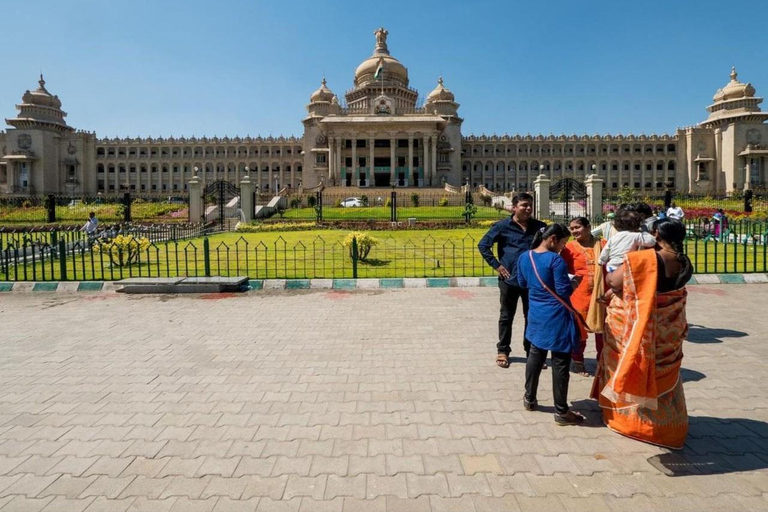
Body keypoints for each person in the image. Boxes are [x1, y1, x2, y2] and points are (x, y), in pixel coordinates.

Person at [591, 218, 693, 449]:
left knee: (631, 362)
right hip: (668, 328)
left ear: (656, 234)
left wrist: (630, 257)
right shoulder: (683, 260)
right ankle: (667, 426)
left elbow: (614, 281)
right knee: (662, 370)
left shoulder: (645, 258)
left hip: (639, 326)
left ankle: (631, 422)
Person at [517, 223, 584, 426]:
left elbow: (521, 282)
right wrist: (575, 283)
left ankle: (529, 398)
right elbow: (563, 290)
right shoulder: (555, 260)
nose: (564, 247)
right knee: (560, 361)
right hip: (557, 315)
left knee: (535, 355)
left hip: (536, 312)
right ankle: (561, 411)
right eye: (563, 243)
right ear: (553, 239)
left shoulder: (524, 257)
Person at [478, 192, 547, 368]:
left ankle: (531, 352)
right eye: (524, 205)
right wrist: (498, 266)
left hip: (532, 280)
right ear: (514, 207)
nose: (528, 208)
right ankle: (503, 350)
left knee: (532, 316)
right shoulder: (502, 226)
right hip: (509, 279)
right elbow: (483, 245)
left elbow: (550, 248)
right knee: (506, 316)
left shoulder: (540, 227)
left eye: (530, 205)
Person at [561, 217, 607, 376]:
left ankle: (603, 361)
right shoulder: (569, 248)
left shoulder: (603, 244)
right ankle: (578, 361)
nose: (574, 231)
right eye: (571, 229)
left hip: (602, 295)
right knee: (579, 330)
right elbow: (563, 270)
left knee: (603, 330)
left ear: (588, 227)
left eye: (577, 227)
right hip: (579, 295)